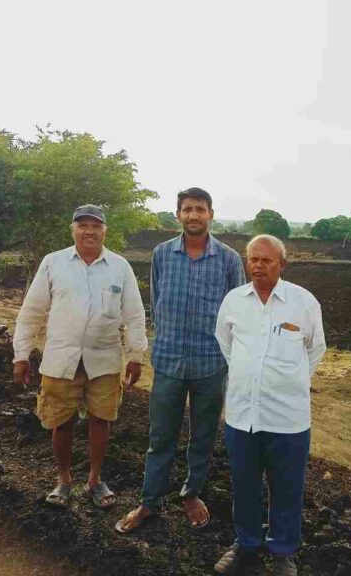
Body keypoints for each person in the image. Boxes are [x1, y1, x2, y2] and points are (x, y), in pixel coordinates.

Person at [116, 187, 246, 532]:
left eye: (200, 209)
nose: (193, 215)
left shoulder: (230, 260)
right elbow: (157, 302)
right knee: (160, 438)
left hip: (211, 364)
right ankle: (149, 502)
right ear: (178, 215)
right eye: (187, 209)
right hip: (170, 362)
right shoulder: (161, 255)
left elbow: (238, 314)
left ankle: (191, 495)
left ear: (211, 214)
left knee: (202, 437)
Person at [12, 204, 147, 509]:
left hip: (105, 359)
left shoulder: (120, 267)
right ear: (72, 230)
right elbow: (32, 311)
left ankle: (95, 480)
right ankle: (63, 481)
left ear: (105, 231)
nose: (89, 231)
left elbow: (135, 315)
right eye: (82, 225)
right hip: (61, 357)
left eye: (95, 226)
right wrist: (21, 355)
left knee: (102, 420)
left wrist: (136, 354)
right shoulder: (53, 263)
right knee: (62, 420)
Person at [213, 234, 326, 576]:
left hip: (288, 418)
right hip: (242, 415)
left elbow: (315, 349)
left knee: (287, 488)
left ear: (282, 264)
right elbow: (226, 343)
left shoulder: (302, 302)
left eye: (266, 260)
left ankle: (282, 551)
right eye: (253, 259)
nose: (258, 266)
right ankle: (246, 544)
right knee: (244, 484)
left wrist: (287, 382)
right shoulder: (234, 301)